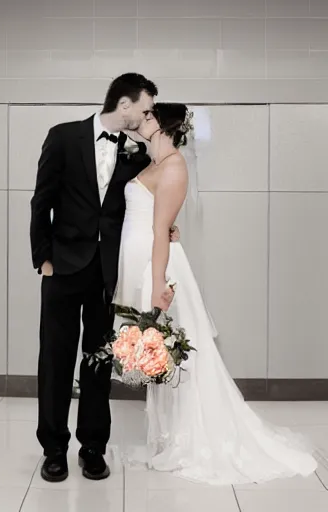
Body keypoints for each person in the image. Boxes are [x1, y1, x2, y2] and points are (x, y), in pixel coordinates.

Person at [113, 102, 318, 484]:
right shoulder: (153, 162)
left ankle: (186, 437)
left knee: (173, 354)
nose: (143, 120)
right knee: (159, 353)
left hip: (158, 268)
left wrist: (158, 283)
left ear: (166, 125)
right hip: (146, 263)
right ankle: (166, 436)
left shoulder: (173, 165)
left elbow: (161, 231)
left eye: (150, 116)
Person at [29, 73, 159, 483]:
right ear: (124, 104)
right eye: (145, 107)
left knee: (99, 362)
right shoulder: (63, 137)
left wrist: (165, 228)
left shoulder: (137, 154)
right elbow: (41, 200)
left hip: (108, 275)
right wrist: (43, 259)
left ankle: (92, 447)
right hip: (63, 269)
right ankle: (53, 448)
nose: (146, 115)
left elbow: (141, 206)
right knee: (56, 359)